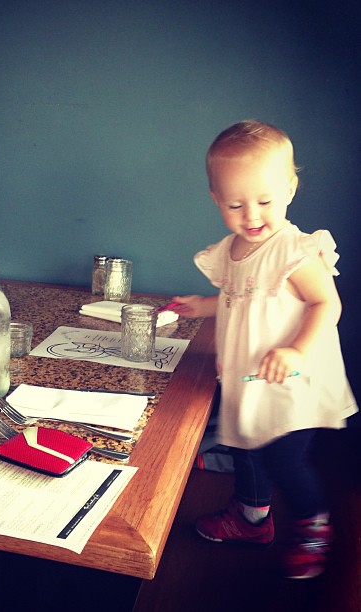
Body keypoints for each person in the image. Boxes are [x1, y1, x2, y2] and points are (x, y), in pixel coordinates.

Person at [172, 120, 357, 579]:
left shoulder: (294, 250)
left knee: (283, 456)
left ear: (291, 190)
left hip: (290, 380)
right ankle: (252, 521)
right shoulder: (234, 249)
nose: (251, 215)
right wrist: (203, 304)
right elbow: (243, 297)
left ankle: (314, 526)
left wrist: (296, 350)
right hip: (249, 378)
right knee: (246, 448)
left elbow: (325, 303)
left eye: (265, 201)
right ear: (216, 200)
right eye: (235, 204)